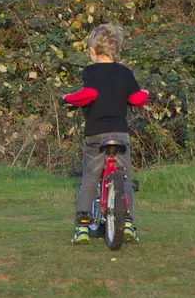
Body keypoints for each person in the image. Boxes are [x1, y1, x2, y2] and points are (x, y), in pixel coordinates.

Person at [62, 23, 148, 244]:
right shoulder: (125, 72)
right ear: (115, 49)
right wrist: (145, 93)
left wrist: (67, 98)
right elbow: (137, 99)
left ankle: (82, 227)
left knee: (90, 178)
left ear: (92, 50)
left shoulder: (91, 71)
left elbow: (88, 94)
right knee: (126, 178)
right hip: (120, 134)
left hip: (95, 134)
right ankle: (128, 223)